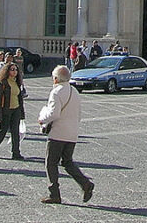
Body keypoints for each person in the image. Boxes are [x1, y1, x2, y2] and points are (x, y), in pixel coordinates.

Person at [38, 65, 94, 205]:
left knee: (51, 163)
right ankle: (85, 183)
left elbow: (54, 113)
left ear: (56, 79)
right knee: (67, 162)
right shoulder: (74, 91)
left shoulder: (56, 92)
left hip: (58, 133)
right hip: (72, 133)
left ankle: (54, 193)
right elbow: (79, 113)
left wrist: (42, 119)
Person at [0, 63, 25, 160]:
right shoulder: (2, 83)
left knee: (15, 132)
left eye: (16, 69)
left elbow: (19, 98)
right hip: (6, 110)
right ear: (7, 71)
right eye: (12, 69)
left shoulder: (17, 82)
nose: (14, 71)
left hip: (16, 109)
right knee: (2, 132)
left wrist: (21, 112)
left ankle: (16, 153)